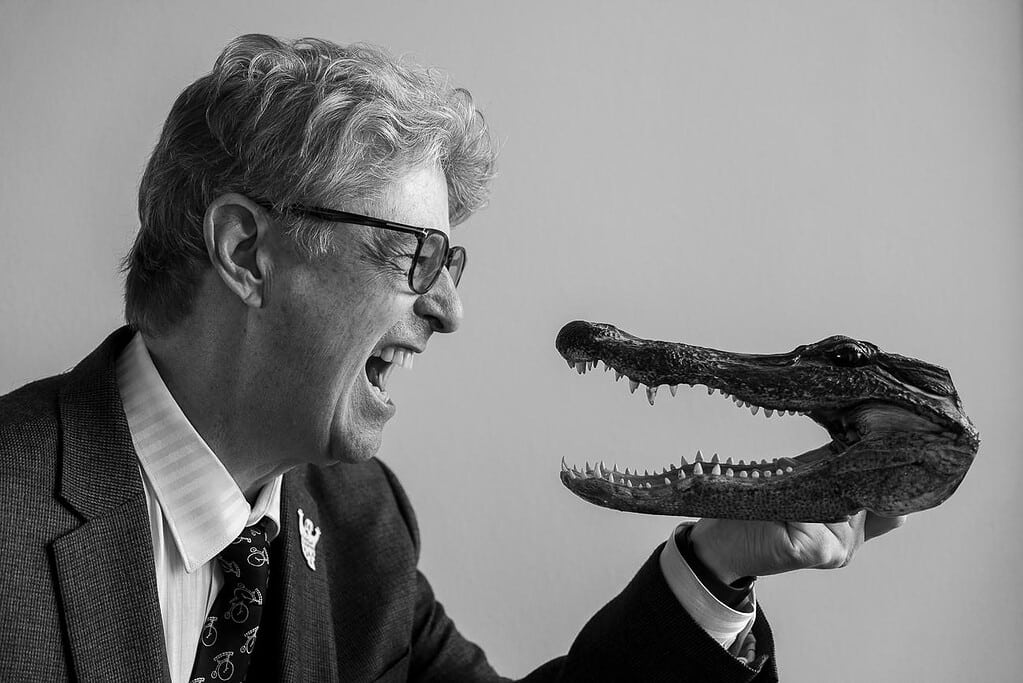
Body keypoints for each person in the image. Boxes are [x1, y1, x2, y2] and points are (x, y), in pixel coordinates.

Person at [0, 34, 903, 683]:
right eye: (413, 255)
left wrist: (718, 560)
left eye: (450, 261)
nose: (449, 309)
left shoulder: (358, 523)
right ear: (246, 251)